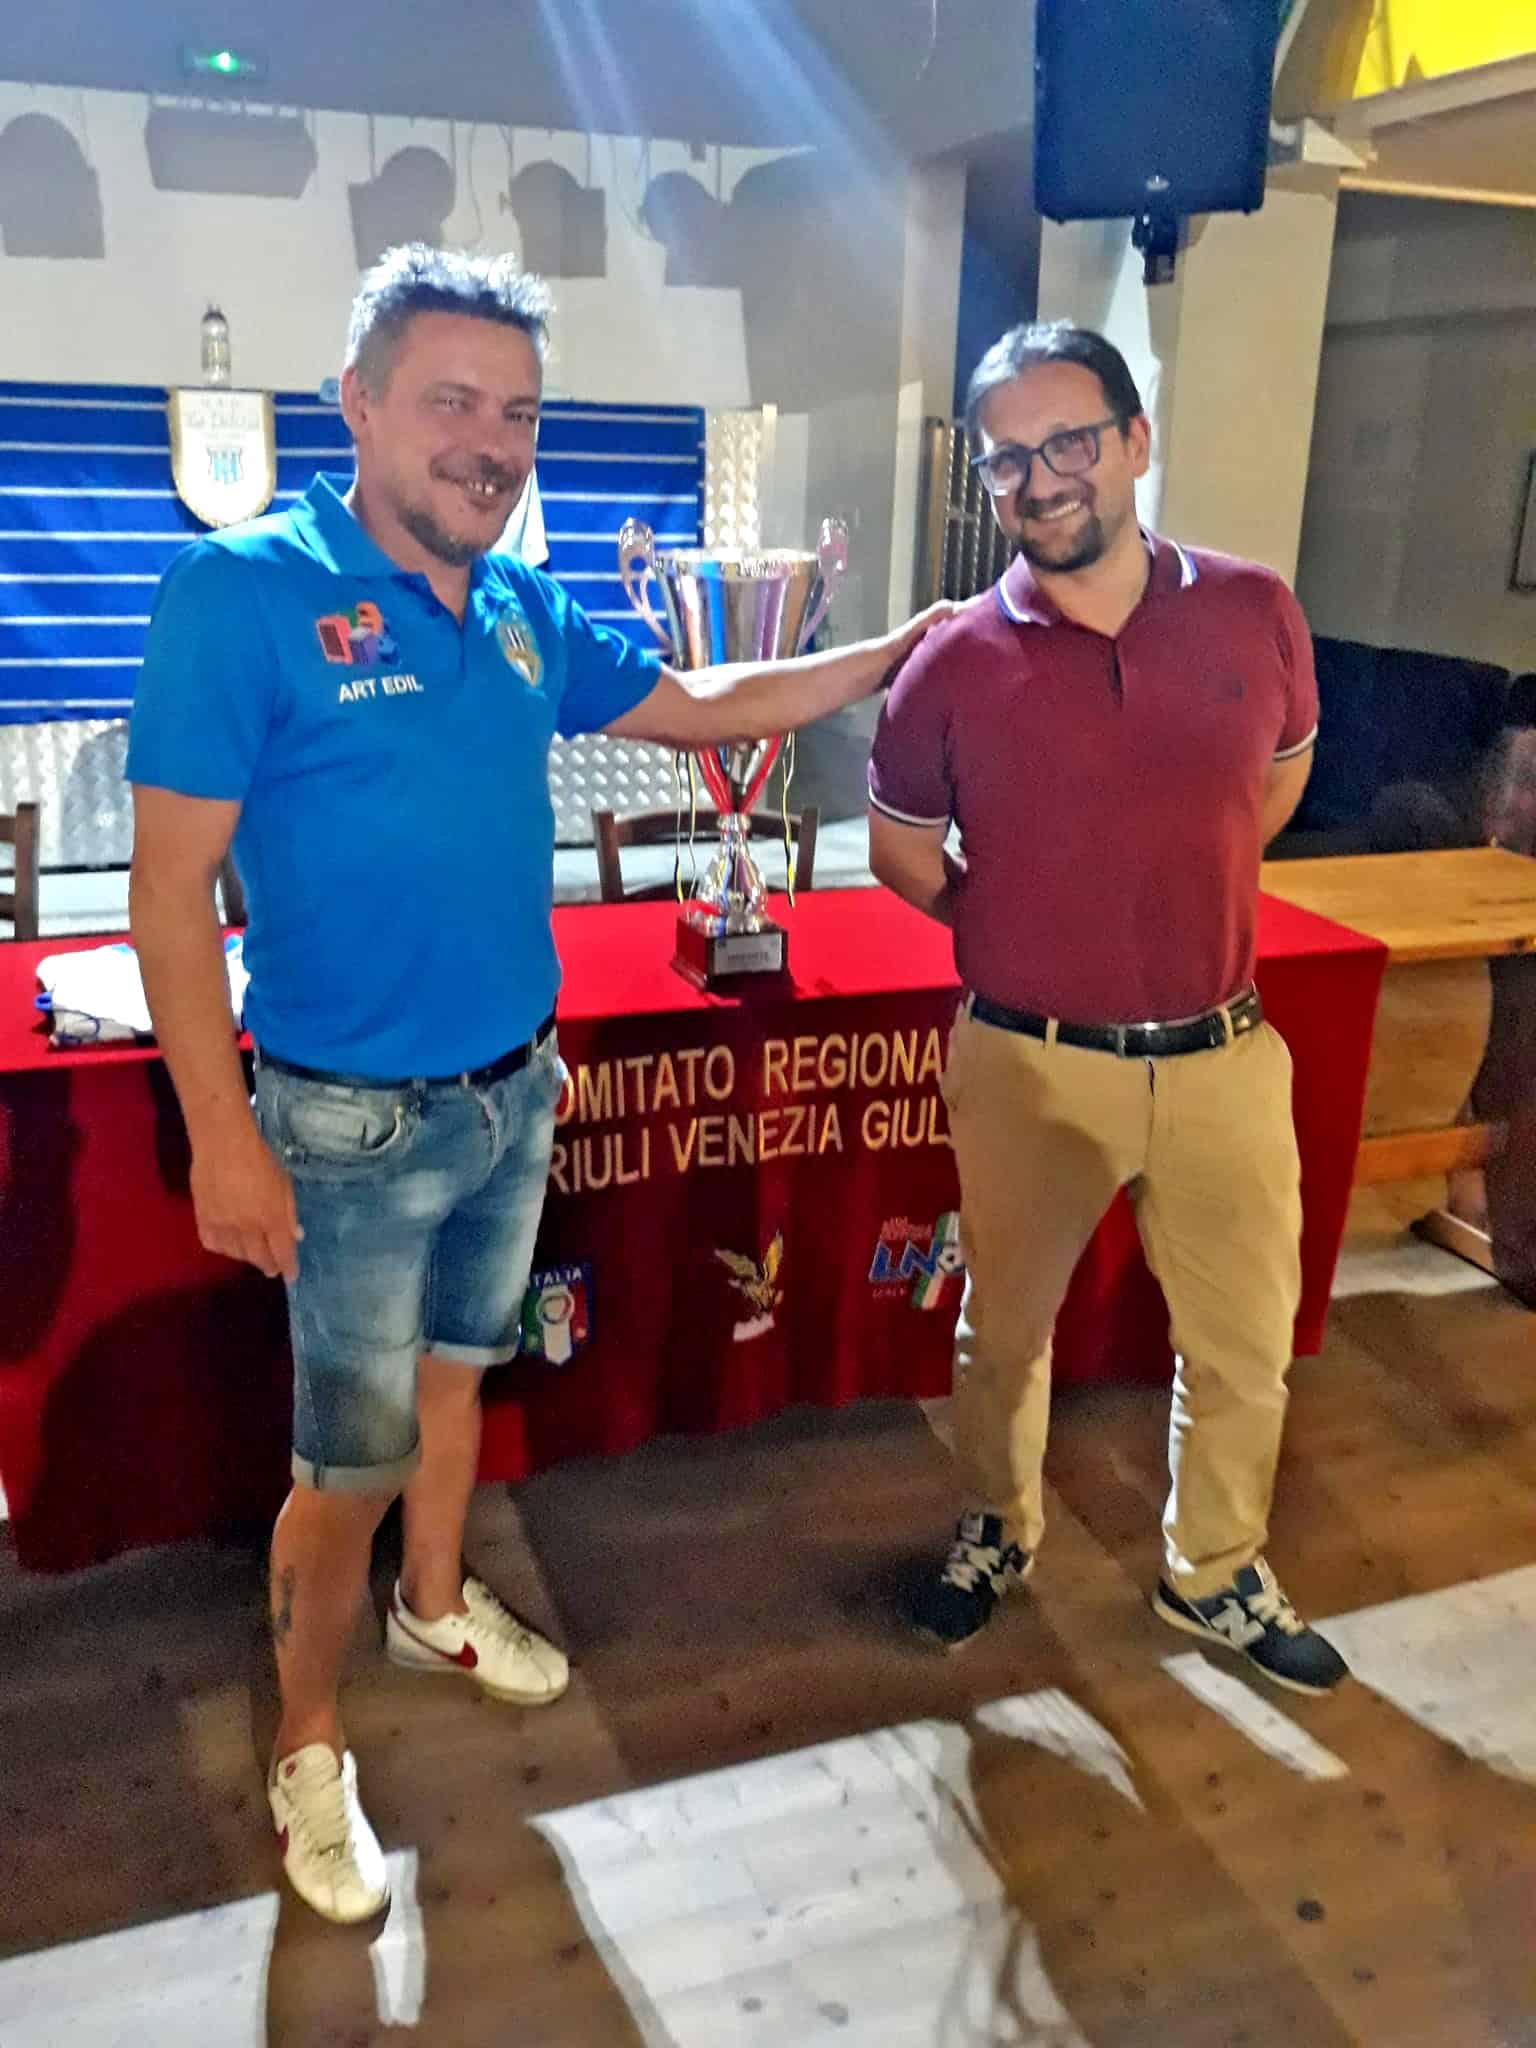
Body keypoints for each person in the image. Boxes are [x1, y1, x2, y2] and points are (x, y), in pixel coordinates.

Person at [128, 244, 951, 1924]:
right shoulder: (240, 592)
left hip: (515, 1090)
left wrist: (894, 649)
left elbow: (703, 698)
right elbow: (167, 890)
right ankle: (306, 1743)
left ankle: (435, 1606)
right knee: (342, 1469)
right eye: (453, 401)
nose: (491, 443)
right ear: (357, 405)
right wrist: (222, 1137)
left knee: (457, 1384)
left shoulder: (517, 606)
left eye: (516, 414)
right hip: (346, 1121)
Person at [867, 320, 1348, 1698]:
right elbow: (903, 854)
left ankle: (1217, 1570)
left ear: (1136, 442)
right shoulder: (952, 660)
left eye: (1070, 440)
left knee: (1243, 1344)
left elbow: (1271, 788)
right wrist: (1024, 926)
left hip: (1223, 1055)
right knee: (1003, 1335)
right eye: (1008, 457)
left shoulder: (1256, 610)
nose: (1040, 478)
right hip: (1028, 1062)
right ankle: (996, 1528)